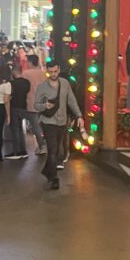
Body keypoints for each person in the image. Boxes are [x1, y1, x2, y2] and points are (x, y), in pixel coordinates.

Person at [34, 60, 85, 190]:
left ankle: (47, 170)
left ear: (59, 69)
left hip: (62, 121)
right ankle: (54, 178)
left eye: (55, 71)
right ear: (47, 71)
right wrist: (45, 105)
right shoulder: (42, 87)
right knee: (52, 149)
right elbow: (36, 105)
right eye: (50, 72)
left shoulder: (65, 84)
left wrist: (79, 115)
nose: (53, 74)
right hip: (48, 121)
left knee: (56, 150)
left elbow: (71, 100)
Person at [22, 53, 48, 155]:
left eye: (27, 62)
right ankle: (43, 144)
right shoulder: (43, 73)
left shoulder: (26, 73)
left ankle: (42, 145)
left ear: (30, 62)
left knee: (35, 126)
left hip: (31, 101)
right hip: (43, 102)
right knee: (42, 124)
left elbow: (24, 88)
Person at [7, 65, 31, 161]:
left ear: (14, 72)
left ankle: (16, 151)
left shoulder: (11, 83)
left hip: (14, 107)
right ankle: (23, 151)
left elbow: (9, 95)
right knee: (21, 129)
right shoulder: (26, 82)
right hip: (23, 107)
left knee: (15, 130)